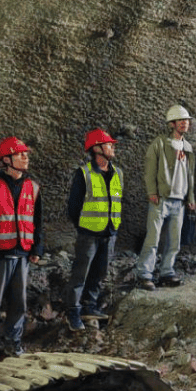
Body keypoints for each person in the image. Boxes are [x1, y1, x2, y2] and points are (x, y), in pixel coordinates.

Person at [0, 136, 44, 364]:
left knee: (19, 303)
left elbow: (38, 221)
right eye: (20, 154)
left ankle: (13, 343)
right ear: (6, 159)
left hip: (22, 254)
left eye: (26, 154)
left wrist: (37, 248)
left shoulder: (33, 187)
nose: (25, 157)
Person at [65, 129, 122, 331]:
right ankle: (73, 312)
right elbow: (73, 206)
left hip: (109, 232)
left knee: (100, 272)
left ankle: (89, 306)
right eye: (109, 144)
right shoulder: (84, 174)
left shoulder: (118, 173)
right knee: (80, 274)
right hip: (89, 234)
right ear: (97, 149)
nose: (113, 147)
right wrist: (83, 227)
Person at [136, 105, 196, 290]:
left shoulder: (187, 147)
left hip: (179, 200)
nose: (185, 123)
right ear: (172, 124)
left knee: (174, 240)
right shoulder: (160, 143)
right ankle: (144, 274)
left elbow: (190, 174)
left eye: (186, 121)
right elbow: (150, 169)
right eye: (181, 121)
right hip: (161, 199)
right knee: (153, 239)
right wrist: (152, 191)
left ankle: (166, 272)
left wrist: (191, 197)